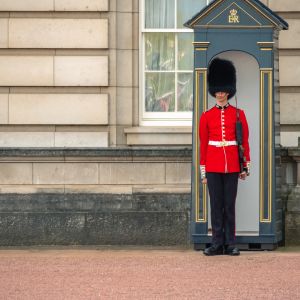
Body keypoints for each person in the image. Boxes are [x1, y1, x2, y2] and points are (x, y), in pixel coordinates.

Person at [199, 58, 251, 256]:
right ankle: (216, 243)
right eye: (217, 91)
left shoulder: (239, 114)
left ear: (228, 91)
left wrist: (245, 167)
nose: (220, 94)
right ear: (214, 91)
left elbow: (244, 142)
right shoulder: (206, 115)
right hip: (212, 165)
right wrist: (204, 170)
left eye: (223, 90)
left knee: (229, 206)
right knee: (215, 206)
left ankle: (230, 243)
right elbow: (204, 145)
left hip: (231, 165)